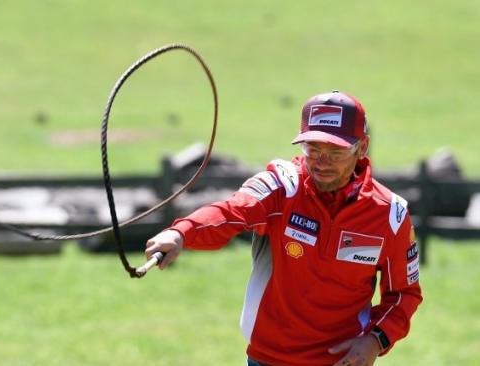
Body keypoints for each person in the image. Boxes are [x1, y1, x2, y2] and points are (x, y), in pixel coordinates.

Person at [144, 91, 423, 366]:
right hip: (267, 360)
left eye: (335, 152)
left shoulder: (391, 215)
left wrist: (375, 340)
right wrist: (181, 232)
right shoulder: (281, 186)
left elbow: (403, 294)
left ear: (362, 148)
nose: (322, 162)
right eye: (313, 149)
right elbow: (232, 211)